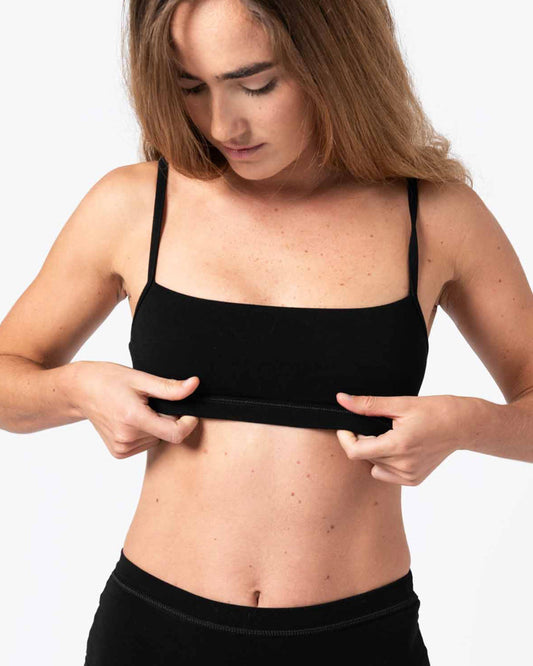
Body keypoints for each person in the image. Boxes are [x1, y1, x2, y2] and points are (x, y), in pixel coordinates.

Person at [0, 1, 531, 664]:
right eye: (192, 86)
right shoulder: (133, 204)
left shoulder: (436, 216)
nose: (223, 124)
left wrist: (466, 425)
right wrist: (78, 391)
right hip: (154, 631)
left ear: (335, 62)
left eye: (255, 84)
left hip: (358, 640)